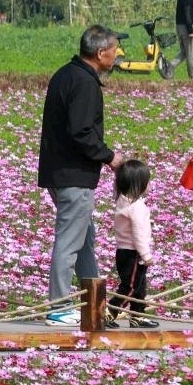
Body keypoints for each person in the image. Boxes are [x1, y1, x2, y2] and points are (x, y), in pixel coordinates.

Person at [37, 26, 123, 326]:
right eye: (115, 50)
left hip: (59, 171)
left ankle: (93, 297)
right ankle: (59, 306)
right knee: (69, 240)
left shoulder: (66, 73)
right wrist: (110, 156)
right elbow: (81, 131)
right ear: (101, 53)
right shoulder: (85, 83)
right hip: (74, 174)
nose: (117, 55)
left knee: (84, 237)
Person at [108, 159, 157, 329]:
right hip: (134, 253)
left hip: (124, 251)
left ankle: (138, 315)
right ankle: (109, 312)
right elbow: (139, 234)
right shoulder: (136, 207)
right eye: (147, 181)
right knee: (130, 287)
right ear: (139, 184)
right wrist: (146, 255)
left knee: (139, 286)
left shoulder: (122, 202)